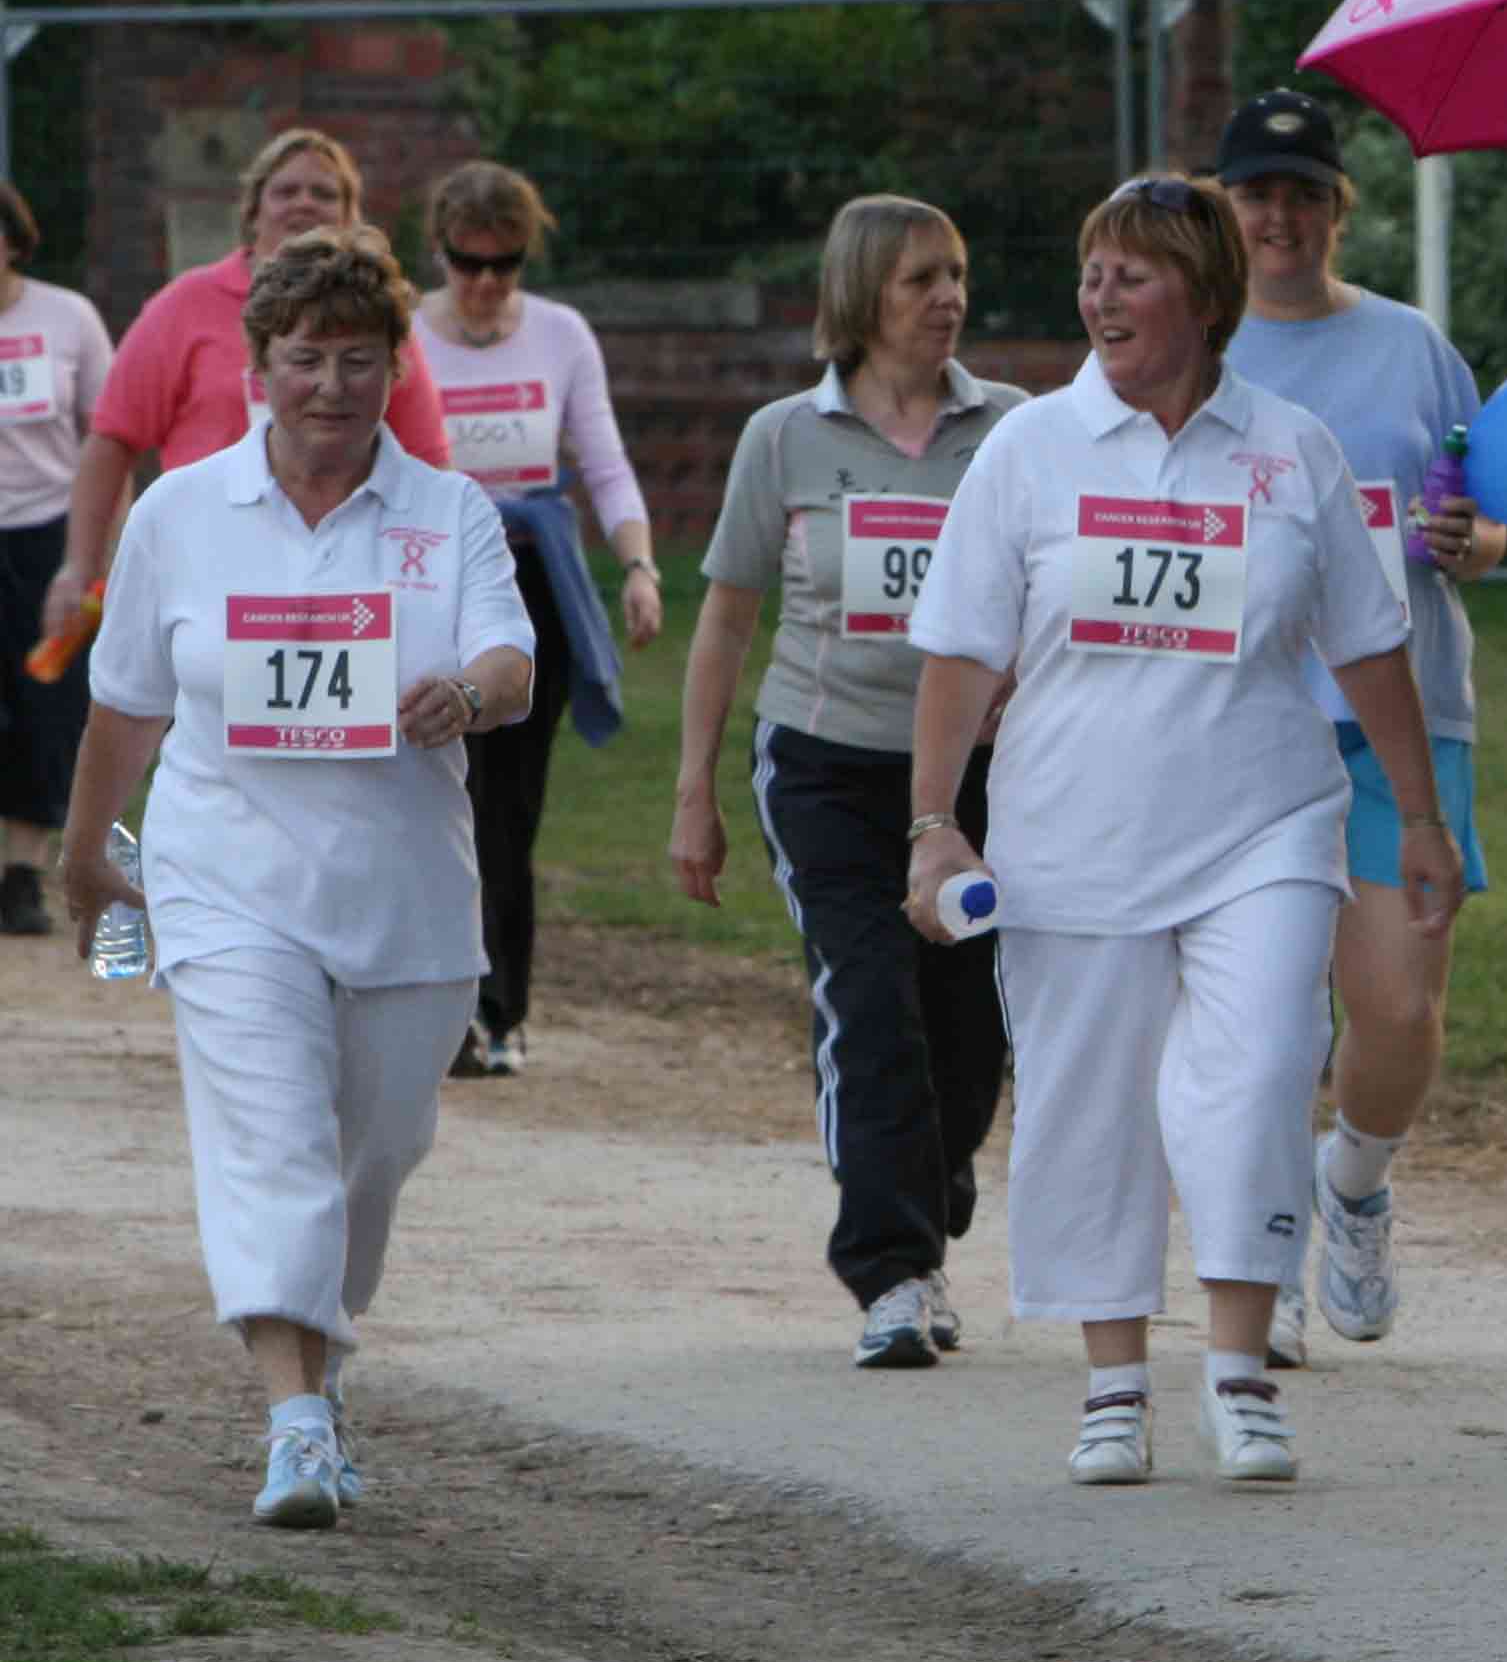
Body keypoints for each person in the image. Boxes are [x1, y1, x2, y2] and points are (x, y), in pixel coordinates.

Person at [903, 171, 1461, 1489]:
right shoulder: (1030, 450)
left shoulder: (1292, 446)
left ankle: (1238, 1365)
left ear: (1205, 298)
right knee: (1091, 1099)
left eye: (1134, 271)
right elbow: (958, 654)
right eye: (1093, 271)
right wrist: (934, 825)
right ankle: (1111, 1381)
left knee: (1264, 1062)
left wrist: (1420, 813)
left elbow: (1370, 643)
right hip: (1071, 834)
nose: (1102, 294)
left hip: (1262, 823)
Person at [58, 226, 534, 1528]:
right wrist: (89, 849)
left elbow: (512, 661)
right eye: (305, 359)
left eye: (359, 360)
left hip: (405, 897)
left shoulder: (449, 514)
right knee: (272, 1140)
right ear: (259, 365)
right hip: (225, 878)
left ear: (396, 367)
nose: (331, 386)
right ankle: (297, 1422)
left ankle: (321, 1347)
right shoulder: (179, 514)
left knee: (366, 1163)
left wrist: (467, 694)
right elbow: (123, 710)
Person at [671, 195, 1025, 1370]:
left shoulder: (1013, 428)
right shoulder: (784, 436)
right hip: (824, 762)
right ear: (862, 293)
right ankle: (892, 1269)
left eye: (958, 274)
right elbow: (727, 614)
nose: (948, 298)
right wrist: (695, 791)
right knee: (870, 1006)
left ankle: (931, 1174)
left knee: (968, 1024)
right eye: (922, 277)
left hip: (979, 774)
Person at [1214, 87, 1504, 1371]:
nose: (1281, 217)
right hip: (1246, 713)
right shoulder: (1199, 352)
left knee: (1393, 1007)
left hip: (1405, 712)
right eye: (1256, 195)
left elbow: (1484, 517)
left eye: (1303, 193)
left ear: (1339, 208)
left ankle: (1354, 1181)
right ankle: (1259, 1248)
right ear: (1224, 212)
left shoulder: (1410, 346)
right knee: (1263, 1006)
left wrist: (1474, 540)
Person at [412, 162, 661, 1079]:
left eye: (504, 265)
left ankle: (494, 1008)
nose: (483, 284)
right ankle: (421, 994)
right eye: (467, 263)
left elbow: (602, 461)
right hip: (427, 580)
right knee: (435, 796)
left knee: (507, 807)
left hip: (527, 580)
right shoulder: (406, 338)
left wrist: (636, 566)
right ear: (439, 253)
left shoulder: (561, 335)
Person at [47, 130, 452, 637]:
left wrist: (437, 581)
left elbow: (427, 461)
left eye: (324, 193)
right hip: (206, 566)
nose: (304, 202)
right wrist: (80, 566)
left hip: (347, 573)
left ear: (351, 216)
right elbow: (112, 439)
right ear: (253, 212)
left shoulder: (382, 317)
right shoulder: (183, 305)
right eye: (285, 191)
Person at [0, 180, 114, 935]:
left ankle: (21, 874)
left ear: (12, 239)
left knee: (46, 705)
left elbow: (110, 437)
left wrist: (102, 555)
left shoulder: (67, 317)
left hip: (49, 537)